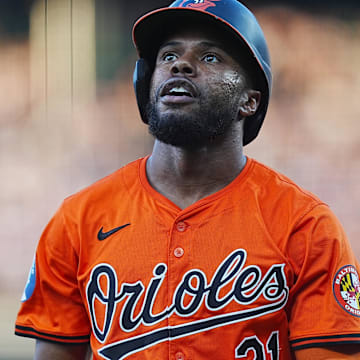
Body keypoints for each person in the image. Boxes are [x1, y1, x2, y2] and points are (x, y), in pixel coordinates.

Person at [15, 0, 360, 359]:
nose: (180, 64)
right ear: (144, 84)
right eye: (167, 56)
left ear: (251, 101)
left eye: (210, 57)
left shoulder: (306, 226)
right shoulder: (78, 220)